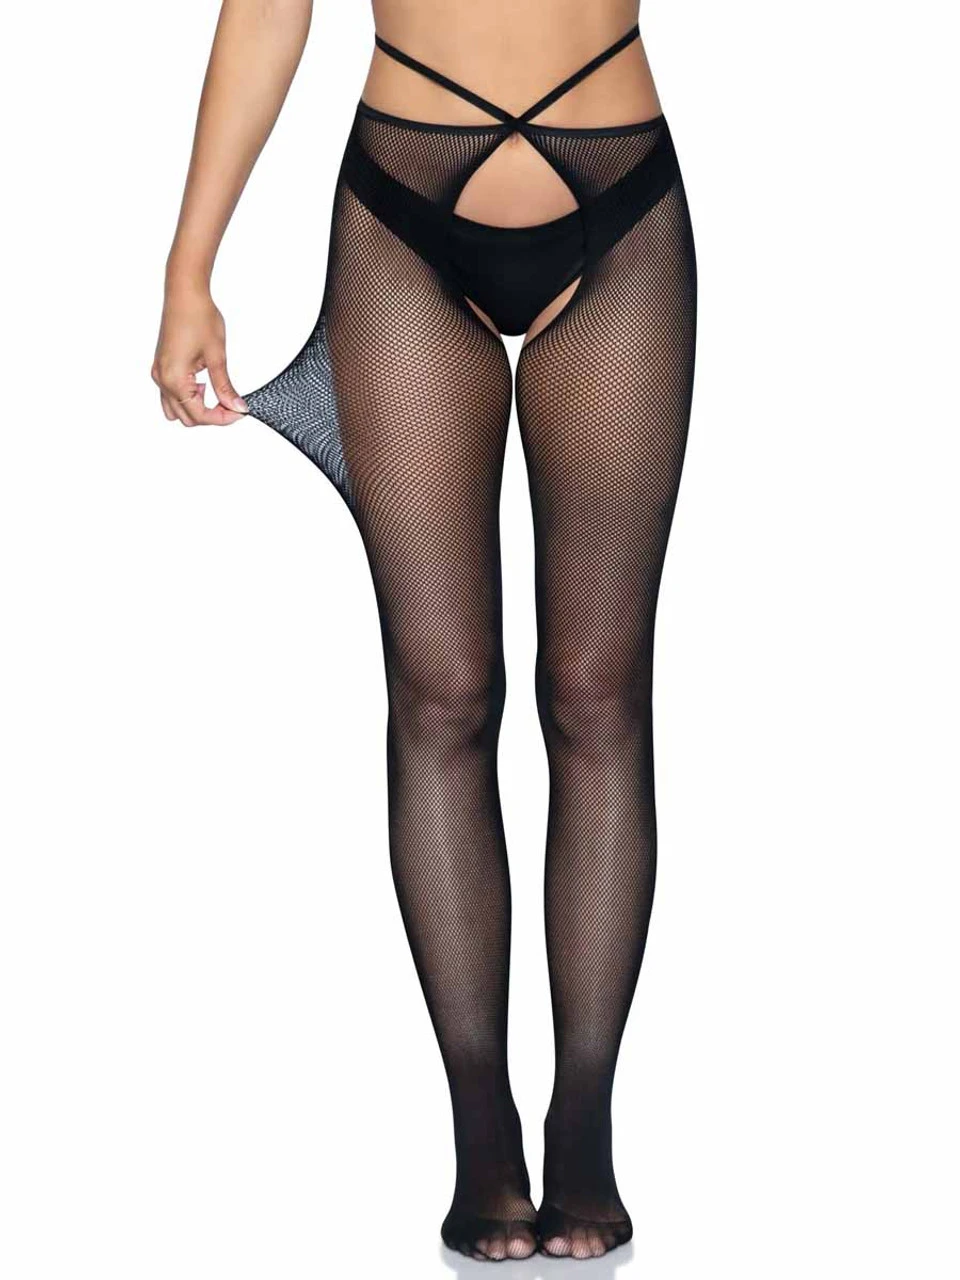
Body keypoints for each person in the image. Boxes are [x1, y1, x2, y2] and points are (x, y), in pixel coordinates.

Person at [152, 0, 696, 1261]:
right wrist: (190, 269)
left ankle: (584, 1123)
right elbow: (269, 4)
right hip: (403, 206)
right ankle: (482, 1132)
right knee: (442, 694)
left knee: (598, 693)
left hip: (619, 197)